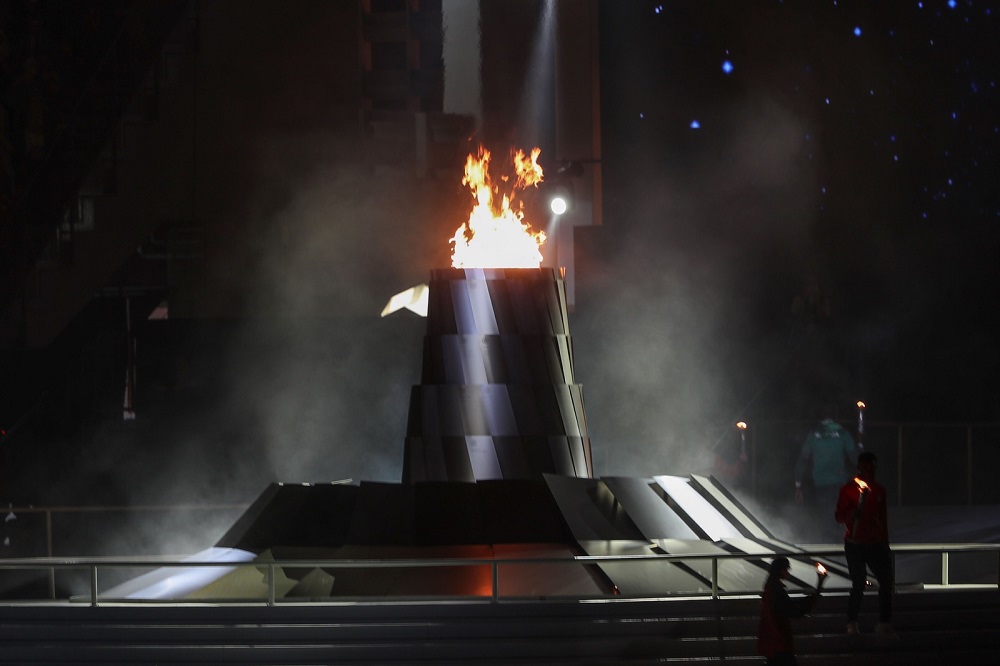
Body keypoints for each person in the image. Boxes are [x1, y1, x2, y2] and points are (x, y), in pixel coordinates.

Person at [835, 451, 892, 635]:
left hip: (876, 543)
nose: (869, 471)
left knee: (885, 581)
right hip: (855, 543)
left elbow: (882, 517)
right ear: (859, 468)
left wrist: (885, 541)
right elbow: (838, 516)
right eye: (865, 468)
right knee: (858, 583)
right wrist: (852, 515)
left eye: (872, 467)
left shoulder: (879, 490)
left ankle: (884, 622)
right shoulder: (848, 489)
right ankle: (852, 622)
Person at [757, 556, 827, 665]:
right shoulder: (776, 590)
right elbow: (793, 610)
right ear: (781, 570)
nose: (788, 572)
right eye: (787, 569)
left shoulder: (771, 588)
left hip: (773, 642)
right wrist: (817, 590)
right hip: (779, 643)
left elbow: (790, 605)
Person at [794, 408, 857, 510]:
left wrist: (798, 485)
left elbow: (802, 460)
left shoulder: (813, 435)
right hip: (839, 482)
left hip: (821, 483)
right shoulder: (843, 433)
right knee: (838, 515)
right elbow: (854, 457)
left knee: (826, 515)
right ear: (836, 417)